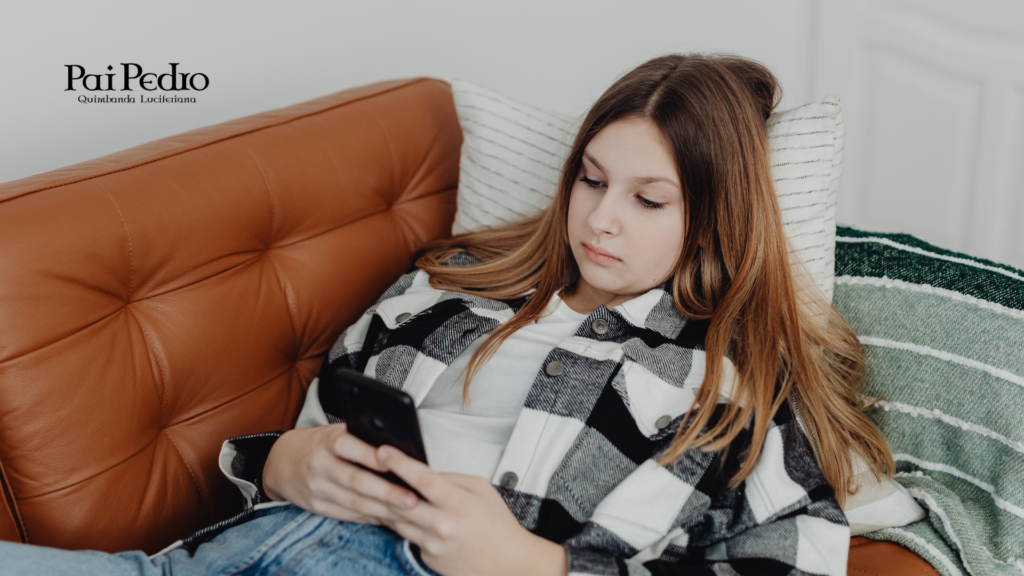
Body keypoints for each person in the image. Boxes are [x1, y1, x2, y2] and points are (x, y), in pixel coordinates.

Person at [0, 53, 893, 576]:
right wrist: (289, 463)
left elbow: (786, 561)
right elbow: (317, 429)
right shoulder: (445, 289)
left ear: (715, 219)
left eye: (648, 199)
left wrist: (541, 567)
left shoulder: (736, 385)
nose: (600, 218)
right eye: (589, 179)